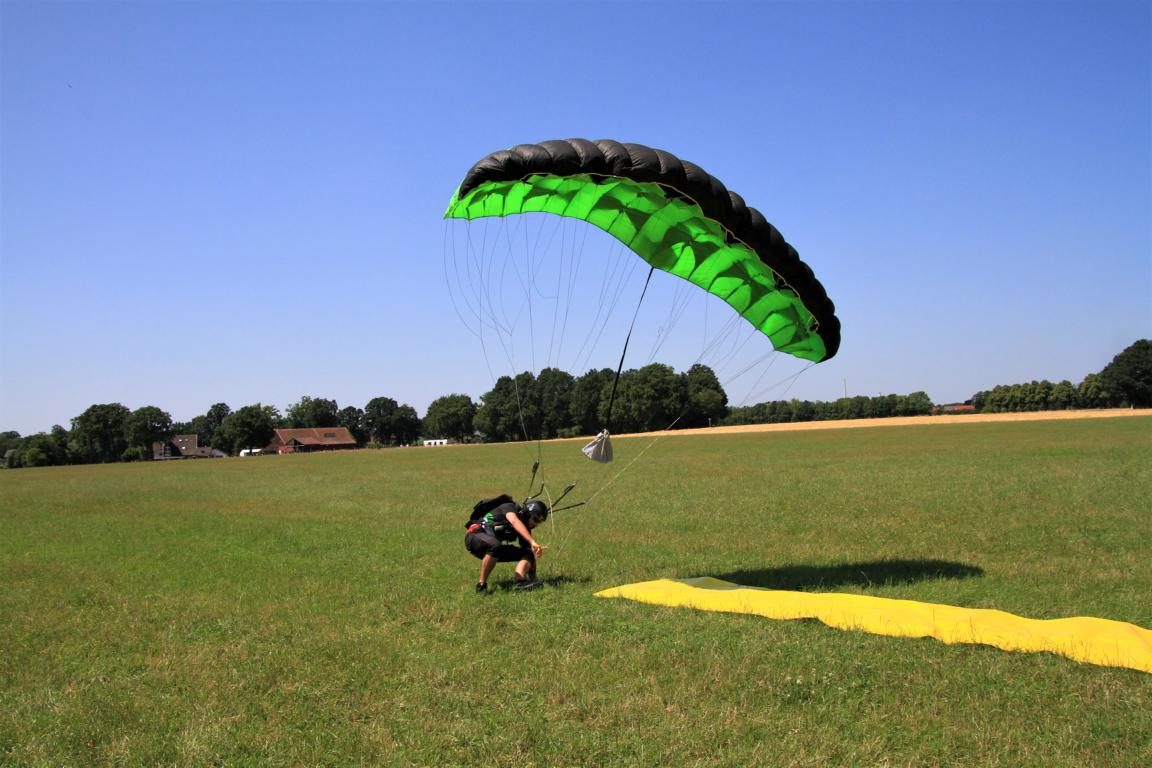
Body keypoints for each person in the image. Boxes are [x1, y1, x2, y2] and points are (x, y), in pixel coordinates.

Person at [465, 498, 548, 593]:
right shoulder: (510, 507)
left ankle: (520, 582)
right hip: (474, 536)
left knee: (527, 553)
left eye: (539, 522)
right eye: (535, 519)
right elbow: (514, 521)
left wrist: (534, 579)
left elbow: (529, 554)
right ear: (528, 513)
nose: (536, 524)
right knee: (495, 545)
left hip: (492, 549)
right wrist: (532, 541)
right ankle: (481, 585)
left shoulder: (524, 528)